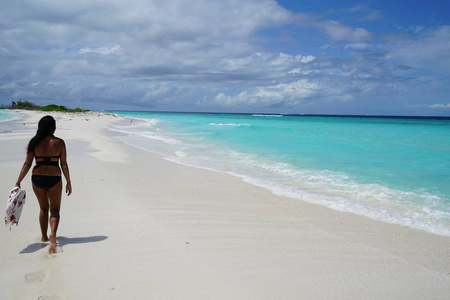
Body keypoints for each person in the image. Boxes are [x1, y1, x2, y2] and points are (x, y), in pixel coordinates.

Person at [15, 115, 72, 253]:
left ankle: (43, 237)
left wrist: (18, 181)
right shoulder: (59, 142)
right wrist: (68, 182)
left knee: (43, 208)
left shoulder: (34, 142)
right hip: (55, 178)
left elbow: (27, 164)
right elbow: (63, 164)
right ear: (53, 128)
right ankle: (53, 232)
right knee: (55, 210)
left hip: (37, 178)